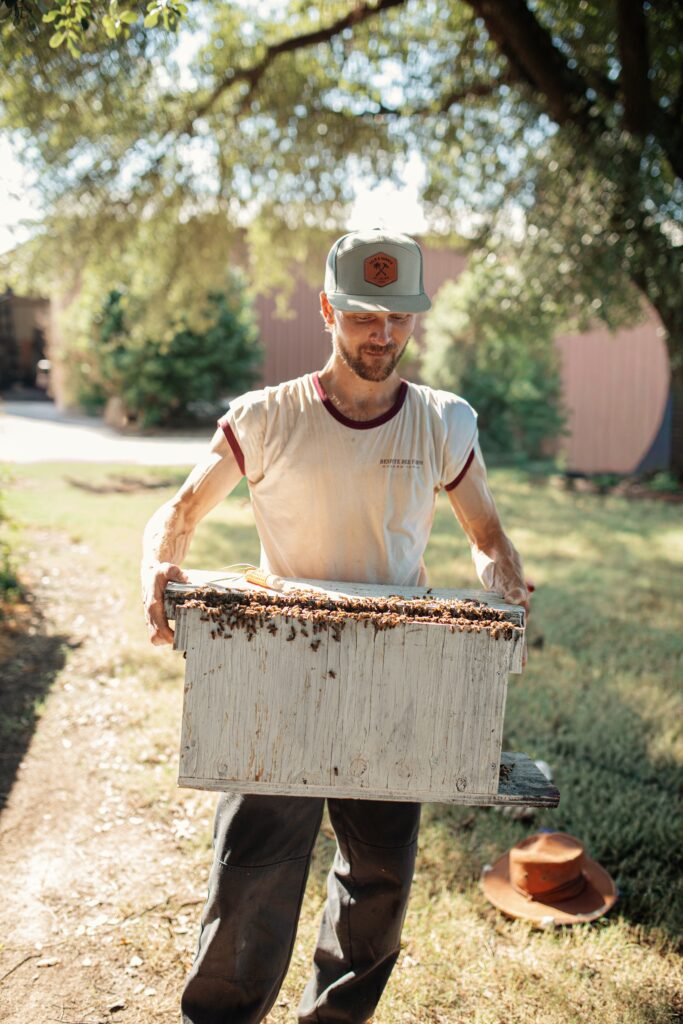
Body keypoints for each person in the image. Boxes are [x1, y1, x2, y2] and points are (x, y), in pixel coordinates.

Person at [141, 229, 530, 1024]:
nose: (380, 333)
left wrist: (506, 586)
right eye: (361, 314)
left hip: (398, 678)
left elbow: (486, 540)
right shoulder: (265, 417)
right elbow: (178, 511)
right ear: (327, 309)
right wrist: (158, 567)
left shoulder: (444, 422)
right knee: (251, 872)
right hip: (279, 672)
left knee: (377, 882)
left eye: (397, 316)